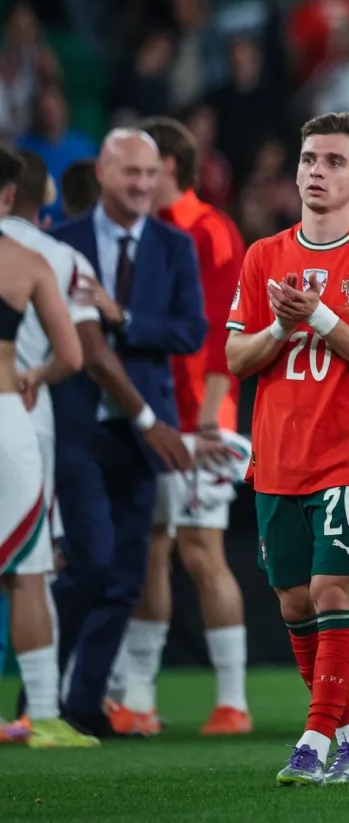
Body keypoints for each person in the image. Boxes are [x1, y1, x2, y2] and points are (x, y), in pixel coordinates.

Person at [225, 112, 349, 784]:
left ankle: (314, 742)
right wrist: (280, 324)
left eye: (332, 162)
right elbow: (238, 356)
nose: (316, 172)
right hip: (278, 455)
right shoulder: (263, 257)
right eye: (308, 160)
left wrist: (321, 318)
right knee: (296, 602)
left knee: (335, 591)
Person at [48, 128, 201, 739]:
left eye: (149, 174)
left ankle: (83, 703)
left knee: (127, 575)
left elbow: (190, 332)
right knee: (89, 561)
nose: (141, 185)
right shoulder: (61, 244)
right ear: (104, 175)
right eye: (129, 173)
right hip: (79, 422)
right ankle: (40, 695)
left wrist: (124, 318)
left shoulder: (173, 245)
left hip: (143, 433)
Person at [104, 116, 252, 738]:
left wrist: (211, 419)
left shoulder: (207, 229)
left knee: (200, 552)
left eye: (147, 167)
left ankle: (232, 702)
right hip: (151, 416)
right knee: (150, 549)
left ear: (170, 168)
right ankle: (138, 697)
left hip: (198, 419)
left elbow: (224, 331)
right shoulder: (148, 232)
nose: (138, 179)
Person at [0, 146, 91, 747]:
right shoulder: (26, 261)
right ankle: (45, 719)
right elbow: (73, 355)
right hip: (9, 416)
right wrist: (36, 376)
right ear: (9, 195)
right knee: (28, 571)